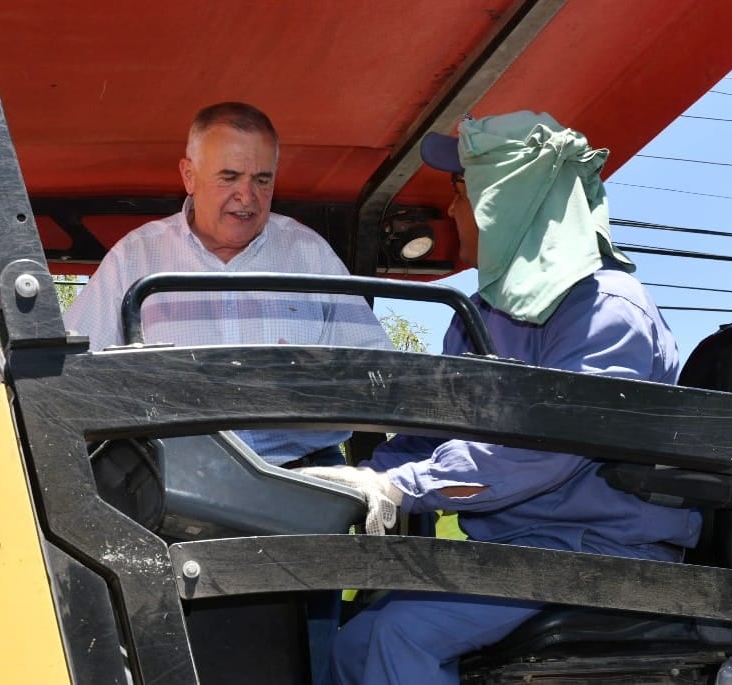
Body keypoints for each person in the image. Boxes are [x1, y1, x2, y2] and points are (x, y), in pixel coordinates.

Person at [296, 111, 703, 685]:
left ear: (505, 202)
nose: (453, 209)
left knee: (395, 639)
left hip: (597, 551)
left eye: (462, 191)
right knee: (354, 639)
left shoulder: (609, 310)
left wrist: (404, 487)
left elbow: (547, 448)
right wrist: (361, 480)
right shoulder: (478, 317)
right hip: (516, 550)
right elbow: (433, 431)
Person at [64, 101, 392, 469]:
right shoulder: (135, 257)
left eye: (262, 180)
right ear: (189, 175)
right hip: (173, 481)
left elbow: (379, 377)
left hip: (302, 479)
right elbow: (71, 376)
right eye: (229, 176)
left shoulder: (310, 255)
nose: (247, 196)